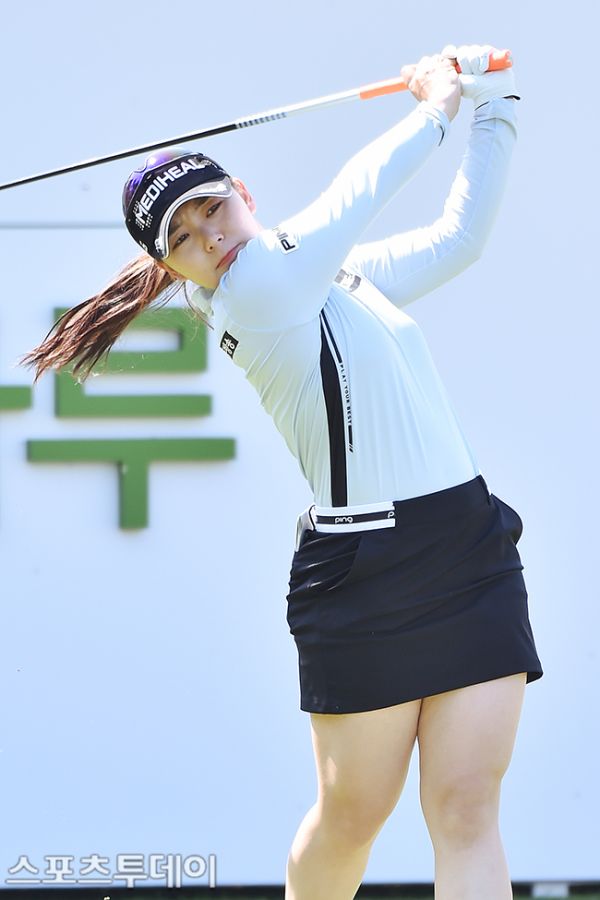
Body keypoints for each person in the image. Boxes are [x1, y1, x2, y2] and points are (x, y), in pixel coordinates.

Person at [24, 44, 543, 900]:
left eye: (213, 210)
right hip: (363, 574)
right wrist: (434, 105)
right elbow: (355, 193)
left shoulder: (334, 278)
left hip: (467, 545)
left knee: (465, 810)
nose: (210, 237)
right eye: (182, 238)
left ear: (245, 196)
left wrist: (498, 105)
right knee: (353, 820)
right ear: (170, 269)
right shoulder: (254, 293)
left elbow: (460, 241)